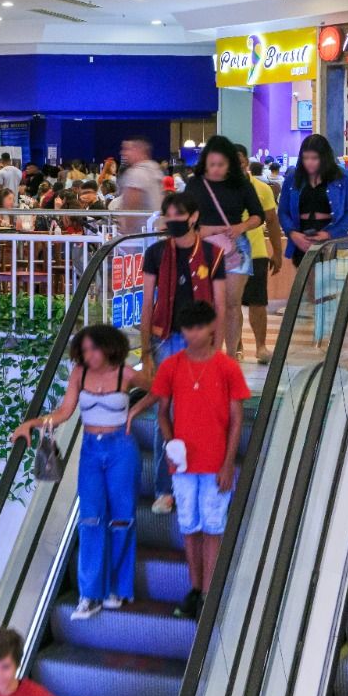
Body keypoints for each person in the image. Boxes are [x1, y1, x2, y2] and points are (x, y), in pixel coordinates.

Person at [11, 325, 152, 618]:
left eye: (93, 349)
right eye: (84, 350)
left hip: (121, 449)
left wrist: (135, 411)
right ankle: (90, 594)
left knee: (121, 518)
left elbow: (160, 388)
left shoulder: (126, 373)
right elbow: (64, 412)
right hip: (91, 450)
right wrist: (32, 424)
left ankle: (117, 589)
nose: (88, 355)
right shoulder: (79, 374)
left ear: (108, 347)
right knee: (90, 519)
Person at [153, 301, 249, 619]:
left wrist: (228, 464)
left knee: (213, 526)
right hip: (182, 465)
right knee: (189, 526)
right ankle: (195, 589)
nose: (192, 334)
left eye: (198, 327)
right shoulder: (171, 366)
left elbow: (237, 419)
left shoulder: (227, 367)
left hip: (215, 463)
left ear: (211, 329)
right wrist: (170, 443)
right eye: (187, 328)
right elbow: (162, 411)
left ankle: (209, 592)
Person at [140, 194, 225, 515]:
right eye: (169, 215)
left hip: (200, 344)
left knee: (197, 411)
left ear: (194, 216)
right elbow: (148, 303)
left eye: (179, 214)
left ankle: (198, 479)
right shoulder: (156, 253)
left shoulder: (212, 254)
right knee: (167, 412)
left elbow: (219, 306)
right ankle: (166, 488)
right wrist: (146, 352)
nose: (173, 220)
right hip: (165, 341)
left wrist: (217, 350)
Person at [183, 136, 264, 358]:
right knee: (205, 302)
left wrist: (241, 226)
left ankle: (229, 356)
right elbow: (183, 215)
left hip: (234, 248)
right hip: (201, 248)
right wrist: (201, 230)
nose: (216, 169)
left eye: (221, 164)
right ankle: (208, 352)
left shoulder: (241, 184)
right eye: (212, 164)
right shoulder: (195, 184)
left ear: (230, 164)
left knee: (231, 303)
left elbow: (258, 215)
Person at [278, 134, 348, 265]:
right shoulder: (292, 177)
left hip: (332, 239)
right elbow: (283, 211)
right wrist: (292, 233)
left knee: (331, 276)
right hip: (301, 237)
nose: (309, 162)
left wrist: (329, 234)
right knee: (305, 276)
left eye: (314, 158)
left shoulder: (343, 177)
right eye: (305, 158)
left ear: (324, 157)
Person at [237, 147, 285, 364]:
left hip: (256, 253)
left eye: (239, 161)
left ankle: (260, 346)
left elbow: (272, 222)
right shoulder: (219, 189)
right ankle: (236, 346)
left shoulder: (262, 189)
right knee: (231, 305)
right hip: (227, 255)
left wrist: (277, 252)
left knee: (257, 303)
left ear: (246, 162)